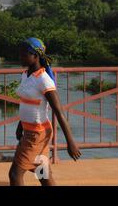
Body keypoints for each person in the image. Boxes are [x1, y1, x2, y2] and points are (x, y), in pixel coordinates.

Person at [9, 37, 82, 186]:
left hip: (37, 134)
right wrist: (20, 125)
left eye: (23, 54)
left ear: (35, 56)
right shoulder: (26, 75)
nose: (20, 57)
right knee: (42, 173)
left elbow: (58, 112)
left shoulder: (44, 80)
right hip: (31, 131)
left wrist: (70, 143)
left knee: (15, 174)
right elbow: (28, 103)